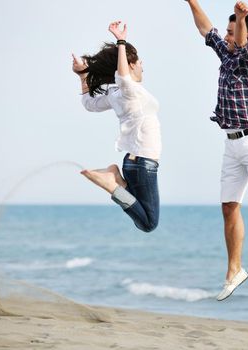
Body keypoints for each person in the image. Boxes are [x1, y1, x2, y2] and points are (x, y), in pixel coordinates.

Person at [184, 0, 248, 302]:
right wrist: (191, 2)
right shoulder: (226, 56)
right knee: (229, 207)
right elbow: (205, 29)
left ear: (246, 34)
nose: (227, 37)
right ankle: (234, 270)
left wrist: (242, 18)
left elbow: (241, 43)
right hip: (232, 143)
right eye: (228, 32)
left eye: (232, 32)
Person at [72, 21, 161, 233]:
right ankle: (111, 183)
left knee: (140, 212)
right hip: (143, 163)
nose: (142, 64)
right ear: (130, 65)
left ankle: (115, 179)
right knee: (148, 224)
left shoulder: (116, 93)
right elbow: (122, 77)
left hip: (136, 163)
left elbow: (89, 104)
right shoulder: (129, 90)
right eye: (139, 61)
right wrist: (120, 41)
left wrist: (83, 75)